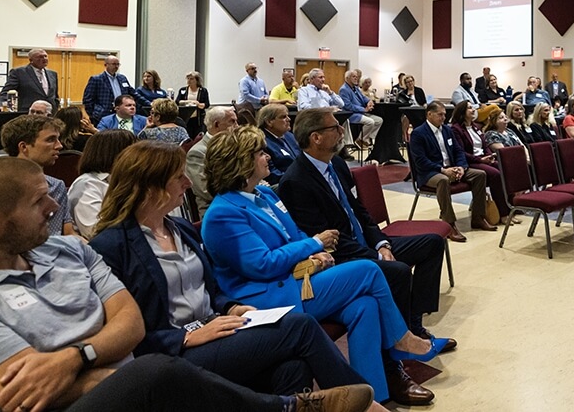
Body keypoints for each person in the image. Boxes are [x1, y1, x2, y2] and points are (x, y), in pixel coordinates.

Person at [0, 157, 367, 412]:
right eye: (37, 202)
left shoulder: (68, 250)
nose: (54, 208)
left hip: (130, 372)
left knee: (281, 364)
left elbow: (129, 321)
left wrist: (76, 357)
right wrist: (116, 365)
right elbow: (30, 392)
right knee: (155, 377)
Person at [89, 141, 379, 411]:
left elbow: (211, 289)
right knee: (300, 326)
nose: (188, 184)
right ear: (151, 187)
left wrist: (231, 306)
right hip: (177, 351)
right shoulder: (113, 246)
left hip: (217, 326)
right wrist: (184, 338)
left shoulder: (180, 229)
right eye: (179, 177)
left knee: (292, 367)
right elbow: (124, 330)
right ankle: (367, 406)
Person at [200, 126, 447, 404]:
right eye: (260, 152)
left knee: (365, 305)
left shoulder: (264, 195)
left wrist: (310, 251)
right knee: (368, 270)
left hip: (296, 278)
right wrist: (314, 245)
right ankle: (402, 339)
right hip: (268, 296)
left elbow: (295, 234)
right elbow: (263, 265)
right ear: (241, 162)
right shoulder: (223, 214)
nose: (268, 156)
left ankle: (372, 396)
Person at [280, 108, 453, 405]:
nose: (342, 132)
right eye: (336, 127)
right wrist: (373, 252)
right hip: (341, 256)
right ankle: (394, 367)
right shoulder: (296, 181)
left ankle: (412, 326)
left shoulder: (335, 163)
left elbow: (359, 211)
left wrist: (382, 242)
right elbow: (329, 240)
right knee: (396, 272)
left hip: (367, 243)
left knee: (431, 244)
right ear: (316, 137)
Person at [409, 101, 494, 239]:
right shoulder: (418, 133)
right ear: (429, 114)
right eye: (440, 115)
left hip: (452, 168)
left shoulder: (447, 130)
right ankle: (449, 224)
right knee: (443, 180)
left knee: (480, 175)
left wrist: (461, 166)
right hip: (430, 172)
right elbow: (421, 161)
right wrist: (442, 170)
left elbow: (458, 151)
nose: (443, 118)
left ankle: (478, 217)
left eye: (444, 114)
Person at [1, 114, 74, 236]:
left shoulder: (57, 186)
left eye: (57, 139)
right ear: (24, 147)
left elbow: (69, 233)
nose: (59, 146)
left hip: (57, 251)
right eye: (51, 140)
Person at [67, 129, 138, 240]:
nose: (139, 158)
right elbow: (94, 232)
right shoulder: (87, 184)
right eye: (134, 152)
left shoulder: (130, 182)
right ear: (115, 154)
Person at [450, 101, 511, 222]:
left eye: (473, 108)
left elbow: (485, 145)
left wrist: (489, 155)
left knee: (505, 168)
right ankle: (503, 214)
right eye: (469, 108)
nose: (473, 110)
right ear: (462, 112)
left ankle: (510, 207)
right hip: (471, 161)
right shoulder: (456, 129)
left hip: (483, 158)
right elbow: (460, 152)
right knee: (495, 174)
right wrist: (480, 160)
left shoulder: (475, 127)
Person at [187, 106, 237, 217]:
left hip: (238, 202)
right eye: (232, 122)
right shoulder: (197, 153)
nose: (237, 126)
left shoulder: (233, 145)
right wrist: (241, 193)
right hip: (215, 210)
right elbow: (206, 191)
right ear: (216, 125)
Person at [82, 55, 141, 124]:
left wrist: (149, 103)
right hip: (102, 115)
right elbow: (88, 99)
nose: (116, 66)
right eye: (113, 64)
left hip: (121, 113)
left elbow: (133, 93)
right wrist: (93, 114)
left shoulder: (122, 78)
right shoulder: (97, 79)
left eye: (118, 64)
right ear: (105, 65)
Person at [340, 69, 383, 149]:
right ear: (347, 78)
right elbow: (348, 106)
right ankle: (361, 140)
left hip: (360, 113)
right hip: (352, 114)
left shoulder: (355, 88)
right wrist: (363, 109)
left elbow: (363, 98)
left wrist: (369, 101)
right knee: (370, 122)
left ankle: (363, 139)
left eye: (356, 77)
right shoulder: (344, 90)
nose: (356, 78)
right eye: (353, 77)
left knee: (379, 120)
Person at [257, 103, 299, 183]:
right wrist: (297, 180)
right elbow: (271, 173)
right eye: (283, 117)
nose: (289, 119)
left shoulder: (289, 135)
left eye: (287, 116)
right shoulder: (262, 141)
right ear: (269, 122)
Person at [177, 70, 211, 137]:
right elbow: (178, 101)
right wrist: (189, 101)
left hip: (198, 118)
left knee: (197, 135)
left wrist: (198, 104)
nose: (189, 80)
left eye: (191, 79)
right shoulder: (183, 90)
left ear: (197, 80)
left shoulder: (203, 90)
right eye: (188, 79)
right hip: (186, 117)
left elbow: (207, 104)